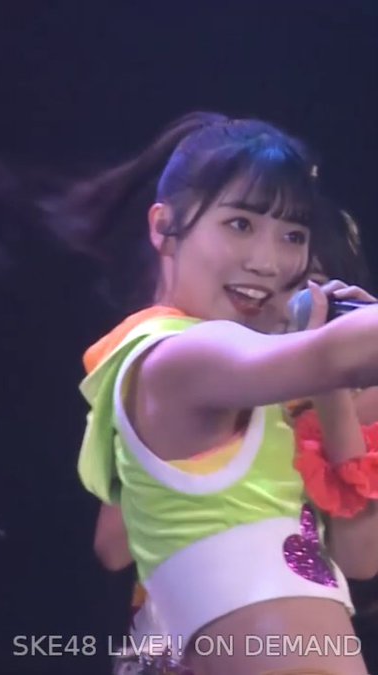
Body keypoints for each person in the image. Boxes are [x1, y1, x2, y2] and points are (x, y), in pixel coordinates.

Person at [58, 112, 378, 674]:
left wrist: (334, 388)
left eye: (293, 236)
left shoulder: (281, 392)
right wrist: (333, 348)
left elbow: (360, 556)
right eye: (240, 225)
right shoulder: (175, 356)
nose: (268, 262)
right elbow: (332, 355)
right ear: (163, 227)